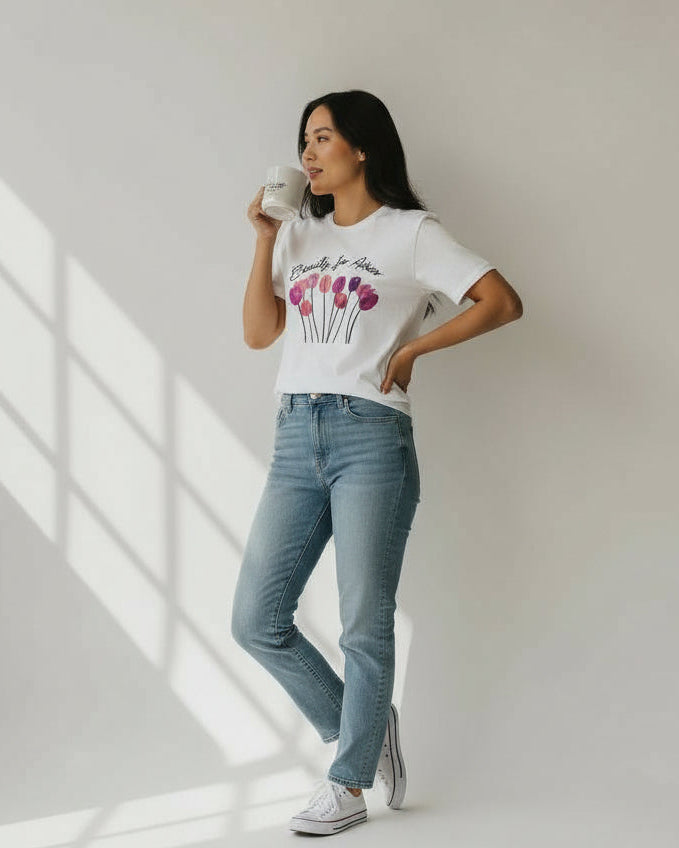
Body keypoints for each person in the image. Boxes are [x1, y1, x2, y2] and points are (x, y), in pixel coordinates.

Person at [231, 89, 523, 836]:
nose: (307, 154)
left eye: (322, 138)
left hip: (370, 438)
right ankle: (364, 728)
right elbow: (259, 334)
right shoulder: (297, 235)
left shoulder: (410, 234)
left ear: (362, 147)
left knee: (365, 622)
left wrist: (416, 347)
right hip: (295, 434)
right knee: (256, 620)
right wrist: (265, 238)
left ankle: (348, 783)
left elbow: (499, 300)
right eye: (303, 140)